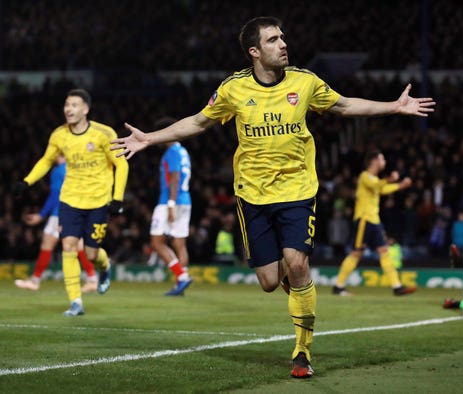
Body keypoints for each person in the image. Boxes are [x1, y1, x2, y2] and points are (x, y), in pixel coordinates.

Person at [110, 16, 435, 378]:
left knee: (297, 264)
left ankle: (302, 351)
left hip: (298, 189)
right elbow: (199, 122)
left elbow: (343, 105)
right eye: (272, 40)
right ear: (254, 51)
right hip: (252, 194)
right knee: (268, 281)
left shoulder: (304, 81)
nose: (283, 44)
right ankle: (299, 292)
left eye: (283, 37)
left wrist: (394, 106)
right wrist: (150, 138)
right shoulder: (233, 89)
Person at [14, 88, 129, 317]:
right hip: (69, 200)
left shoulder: (103, 133)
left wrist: (118, 198)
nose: (69, 109)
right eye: (67, 105)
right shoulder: (59, 135)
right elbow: (46, 161)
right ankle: (76, 302)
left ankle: (105, 269)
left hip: (97, 201)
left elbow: (122, 164)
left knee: (91, 254)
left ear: (85, 109)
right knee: (67, 246)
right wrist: (27, 182)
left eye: (74, 105)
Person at [333, 150, 417, 296]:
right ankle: (338, 286)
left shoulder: (375, 180)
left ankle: (397, 287)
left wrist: (401, 185)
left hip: (374, 221)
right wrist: (391, 179)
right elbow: (377, 186)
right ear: (375, 161)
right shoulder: (365, 176)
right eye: (382, 159)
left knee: (384, 251)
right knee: (357, 253)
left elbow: (382, 189)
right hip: (364, 220)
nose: (384, 162)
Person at [15, 154, 99, 293]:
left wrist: (41, 215)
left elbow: (55, 195)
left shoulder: (59, 170)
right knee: (77, 244)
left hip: (60, 212)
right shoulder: (76, 168)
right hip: (77, 210)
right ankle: (92, 279)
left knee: (49, 242)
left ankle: (35, 281)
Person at [149, 117, 193, 296]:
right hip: (186, 200)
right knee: (179, 244)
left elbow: (174, 178)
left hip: (170, 201)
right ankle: (181, 283)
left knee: (157, 242)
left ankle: (181, 276)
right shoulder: (183, 151)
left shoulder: (171, 153)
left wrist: (171, 204)